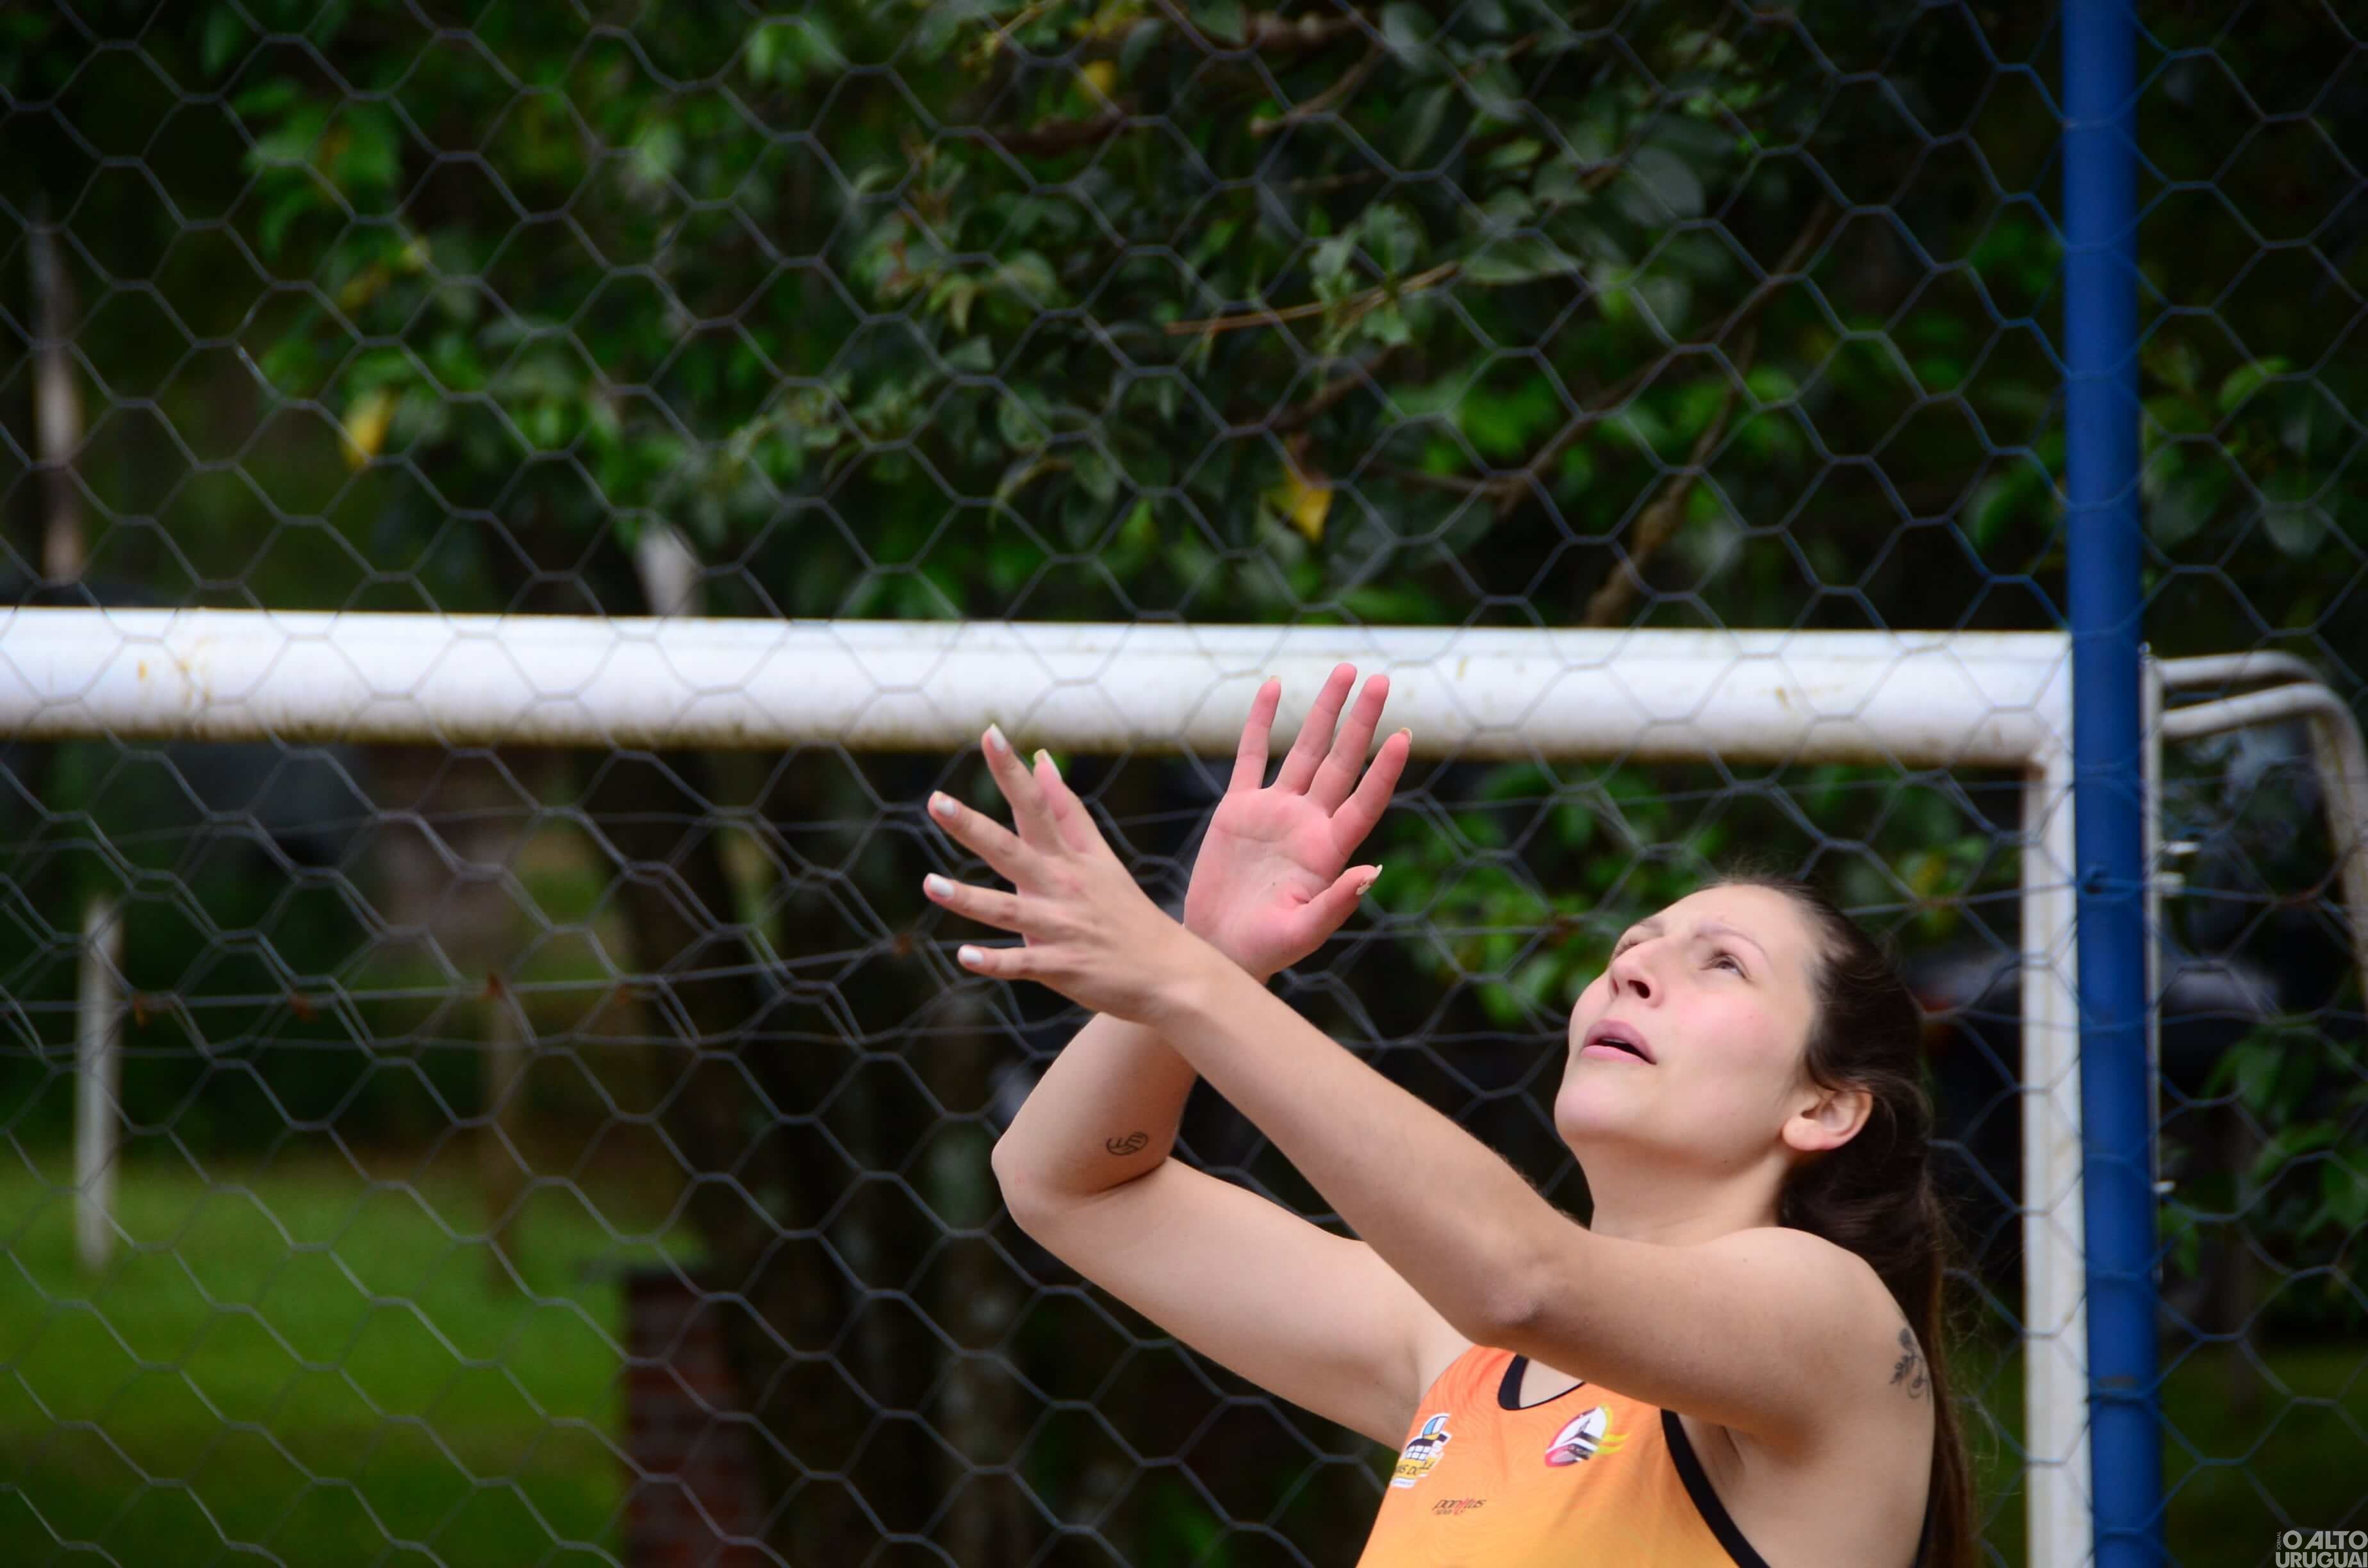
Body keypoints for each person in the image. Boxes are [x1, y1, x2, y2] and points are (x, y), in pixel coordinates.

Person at [925, 664, 1973, 1567]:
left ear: (1827, 1107)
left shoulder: (1830, 1315)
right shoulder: (1458, 1352)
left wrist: (1188, 989)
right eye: (1631, 949)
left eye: (1723, 967)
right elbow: (1067, 1185)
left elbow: (1521, 1278)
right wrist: (1206, 961)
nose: (1637, 971)